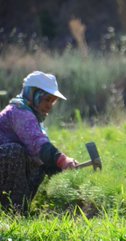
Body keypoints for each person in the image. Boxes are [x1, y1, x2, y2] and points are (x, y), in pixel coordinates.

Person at [0, 71, 78, 214]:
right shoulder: (19, 112)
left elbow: (41, 154)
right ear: (32, 94)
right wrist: (62, 160)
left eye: (53, 101)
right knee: (14, 151)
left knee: (41, 163)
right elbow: (38, 145)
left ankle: (19, 209)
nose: (50, 105)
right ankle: (12, 211)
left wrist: (64, 170)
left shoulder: (33, 117)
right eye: (47, 99)